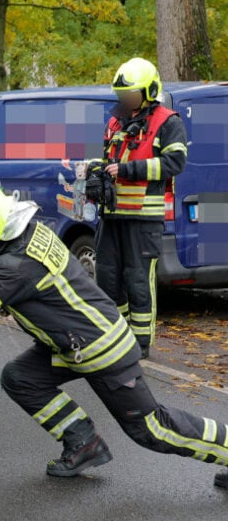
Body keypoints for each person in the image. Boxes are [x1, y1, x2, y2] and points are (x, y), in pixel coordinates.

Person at [0, 179, 228, 489]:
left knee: (152, 429)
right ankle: (83, 442)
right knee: (20, 378)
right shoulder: (18, 237)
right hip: (74, 343)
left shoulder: (17, 263)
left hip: (102, 348)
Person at [90, 58, 187, 359]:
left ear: (149, 91)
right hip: (112, 215)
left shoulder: (168, 122)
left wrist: (128, 170)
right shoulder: (116, 120)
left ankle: (139, 344)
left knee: (137, 281)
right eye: (123, 95)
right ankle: (114, 335)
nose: (126, 100)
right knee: (107, 278)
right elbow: (110, 161)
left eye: (131, 94)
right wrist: (96, 171)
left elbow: (175, 163)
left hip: (143, 219)